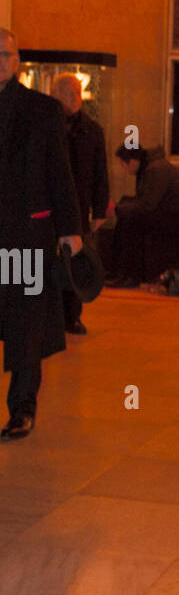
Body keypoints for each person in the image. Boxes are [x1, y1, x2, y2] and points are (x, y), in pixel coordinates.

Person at [0, 28, 83, 440]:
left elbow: (60, 175)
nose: (1, 61)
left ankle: (22, 409)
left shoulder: (41, 110)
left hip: (25, 238)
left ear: (17, 60)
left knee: (26, 325)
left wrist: (70, 230)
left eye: (6, 55)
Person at [51, 73, 110, 334]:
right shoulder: (46, 126)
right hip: (48, 206)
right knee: (48, 261)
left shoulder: (93, 131)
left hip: (78, 206)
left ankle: (72, 315)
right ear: (56, 95)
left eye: (78, 93)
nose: (75, 98)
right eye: (69, 93)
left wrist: (99, 211)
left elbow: (100, 174)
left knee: (76, 261)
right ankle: (50, 315)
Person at [107, 142, 179, 287]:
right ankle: (121, 272)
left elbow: (147, 205)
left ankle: (131, 275)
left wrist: (117, 209)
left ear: (134, 161)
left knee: (131, 223)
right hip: (170, 212)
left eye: (124, 164)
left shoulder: (155, 170)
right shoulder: (148, 167)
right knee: (127, 213)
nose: (123, 168)